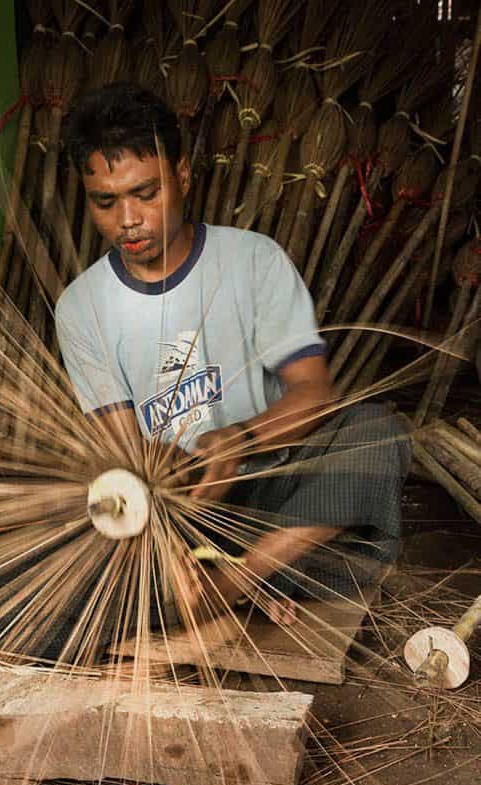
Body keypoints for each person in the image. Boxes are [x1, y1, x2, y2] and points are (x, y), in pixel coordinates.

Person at [55, 82, 411, 626]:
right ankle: (218, 582)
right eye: (106, 201)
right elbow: (125, 455)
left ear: (183, 178)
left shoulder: (252, 261)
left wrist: (241, 441)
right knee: (65, 555)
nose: (128, 218)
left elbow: (315, 392)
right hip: (183, 513)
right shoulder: (81, 308)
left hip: (280, 497)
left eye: (146, 194)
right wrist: (168, 508)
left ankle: (233, 584)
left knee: (377, 433)